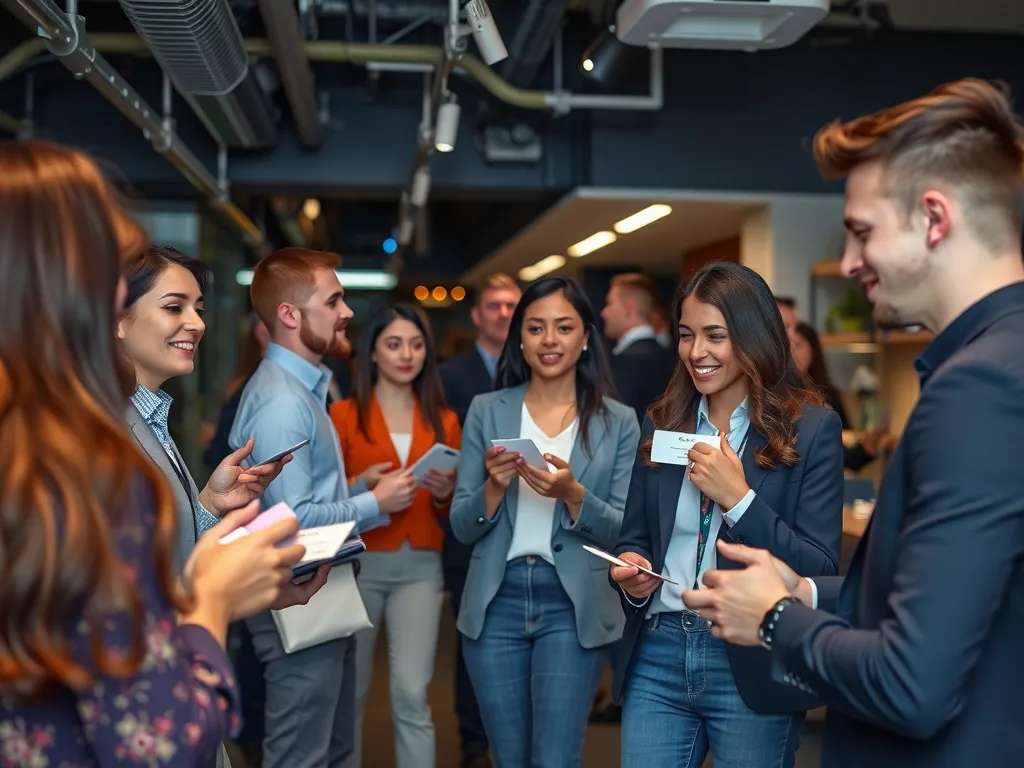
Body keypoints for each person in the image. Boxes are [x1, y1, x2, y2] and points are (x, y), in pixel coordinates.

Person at [683, 78, 1024, 768]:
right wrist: (804, 588)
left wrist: (776, 618)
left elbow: (912, 682)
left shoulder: (979, 386)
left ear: (934, 218)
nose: (848, 263)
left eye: (862, 232)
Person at [0, 139, 306, 766]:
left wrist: (203, 506)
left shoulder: (53, 435)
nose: (195, 322)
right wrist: (214, 600)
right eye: (106, 267)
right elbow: (158, 737)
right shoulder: (80, 453)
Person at [608, 262, 844, 768]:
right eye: (687, 335)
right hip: (659, 648)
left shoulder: (811, 429)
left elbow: (820, 568)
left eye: (715, 335)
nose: (697, 352)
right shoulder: (662, 421)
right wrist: (630, 568)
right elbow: (636, 536)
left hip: (753, 652)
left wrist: (738, 499)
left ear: (752, 336)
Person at [230, 247, 419, 768]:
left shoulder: (301, 389)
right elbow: (291, 519)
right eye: (333, 300)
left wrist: (355, 486)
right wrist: (373, 502)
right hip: (300, 596)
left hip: (320, 591)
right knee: (302, 756)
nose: (347, 312)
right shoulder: (285, 402)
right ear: (290, 315)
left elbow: (289, 498)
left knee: (329, 750)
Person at [450, 276, 640, 767]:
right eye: (535, 328)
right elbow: (461, 525)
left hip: (571, 603)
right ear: (519, 338)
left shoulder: (617, 420)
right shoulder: (487, 410)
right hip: (496, 600)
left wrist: (574, 495)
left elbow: (622, 527)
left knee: (556, 759)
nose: (549, 340)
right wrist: (493, 487)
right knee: (509, 759)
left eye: (563, 327)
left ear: (585, 337)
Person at [332, 304, 462, 768]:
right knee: (353, 690)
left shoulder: (444, 419)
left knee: (411, 690)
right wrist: (359, 486)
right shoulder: (343, 415)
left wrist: (446, 492)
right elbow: (324, 501)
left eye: (416, 344)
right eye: (393, 344)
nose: (406, 354)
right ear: (372, 354)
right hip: (360, 562)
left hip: (421, 566)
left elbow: (451, 506)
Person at [118, 246, 292, 573]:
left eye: (198, 310)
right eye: (174, 307)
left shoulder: (148, 416)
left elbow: (170, 548)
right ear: (118, 320)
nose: (196, 324)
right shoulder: (104, 427)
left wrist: (210, 501)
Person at [438, 272, 521, 768]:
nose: (503, 313)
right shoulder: (450, 376)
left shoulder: (536, 371)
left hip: (526, 524)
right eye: (494, 305)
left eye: (512, 305)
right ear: (477, 315)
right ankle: (473, 742)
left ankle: (508, 736)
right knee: (473, 640)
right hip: (468, 529)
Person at [790, 321, 892, 470]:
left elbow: (844, 444)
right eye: (787, 347)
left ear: (813, 349)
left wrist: (868, 446)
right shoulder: (779, 395)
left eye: (798, 345)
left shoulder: (829, 394)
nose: (792, 352)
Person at [600, 273, 677, 424]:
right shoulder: (669, 356)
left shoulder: (627, 361)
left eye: (609, 303)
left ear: (628, 308)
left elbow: (609, 423)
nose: (604, 313)